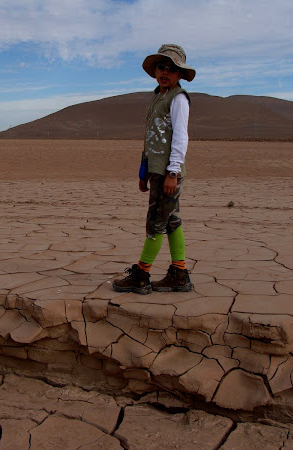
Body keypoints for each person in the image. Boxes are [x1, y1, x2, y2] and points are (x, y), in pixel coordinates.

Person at [112, 44, 195, 295]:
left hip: (168, 172)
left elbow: (180, 137)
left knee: (156, 222)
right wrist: (143, 171)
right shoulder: (157, 97)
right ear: (155, 70)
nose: (166, 72)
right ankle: (179, 274)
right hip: (157, 170)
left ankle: (142, 275)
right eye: (162, 66)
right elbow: (151, 138)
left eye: (172, 68)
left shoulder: (178, 98)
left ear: (180, 74)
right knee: (171, 220)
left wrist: (173, 172)